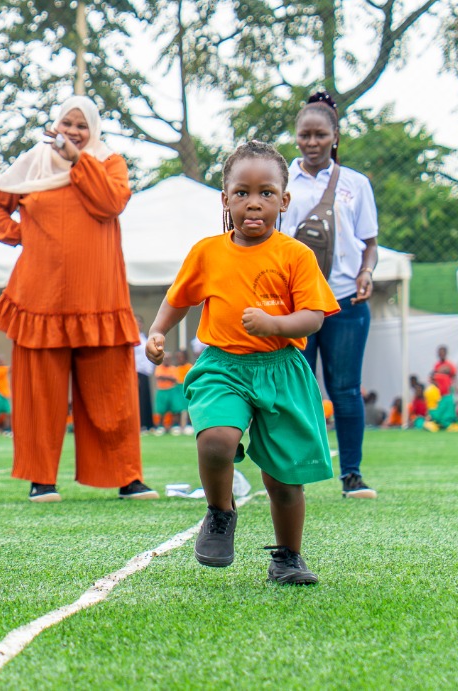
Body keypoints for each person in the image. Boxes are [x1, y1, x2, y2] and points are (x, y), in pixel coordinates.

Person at [147, 140, 339, 585]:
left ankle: (288, 558)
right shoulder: (208, 252)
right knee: (215, 441)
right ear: (226, 198)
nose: (254, 203)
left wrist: (275, 324)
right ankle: (220, 513)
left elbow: (313, 318)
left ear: (284, 200)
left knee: (284, 480)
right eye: (242, 192)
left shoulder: (296, 255)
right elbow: (177, 299)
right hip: (223, 366)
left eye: (267, 193)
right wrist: (157, 332)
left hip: (281, 370)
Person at [0, 96, 155, 502]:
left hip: (100, 296)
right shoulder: (32, 163)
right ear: (55, 125)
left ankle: (127, 477)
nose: (74, 131)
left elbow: (111, 203)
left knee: (112, 394)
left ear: (93, 129)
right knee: (39, 396)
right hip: (40, 297)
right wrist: (22, 235)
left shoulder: (109, 162)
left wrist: (78, 159)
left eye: (82, 125)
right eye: (67, 123)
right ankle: (42, 480)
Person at [283, 92, 380, 499]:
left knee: (344, 390)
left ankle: (352, 474)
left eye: (320, 134)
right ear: (296, 137)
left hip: (345, 302)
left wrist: (367, 271)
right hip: (297, 303)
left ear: (335, 136)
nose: (312, 142)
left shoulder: (356, 184)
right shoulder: (281, 179)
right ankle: (294, 472)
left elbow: (369, 242)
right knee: (296, 390)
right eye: (305, 134)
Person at [153, 354, 191, 435]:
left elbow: (174, 379)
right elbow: (159, 377)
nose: (166, 361)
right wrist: (168, 378)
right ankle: (160, 427)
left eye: (168, 359)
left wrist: (165, 377)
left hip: (172, 390)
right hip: (162, 391)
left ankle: (176, 426)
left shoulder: (173, 368)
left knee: (176, 409)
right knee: (161, 410)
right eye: (165, 359)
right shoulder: (159, 367)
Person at [134, 315, 156, 431]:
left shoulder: (143, 338)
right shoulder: (131, 338)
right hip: (135, 371)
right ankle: (139, 424)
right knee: (138, 398)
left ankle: (148, 424)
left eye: (139, 322)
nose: (138, 325)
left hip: (145, 372)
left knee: (145, 397)